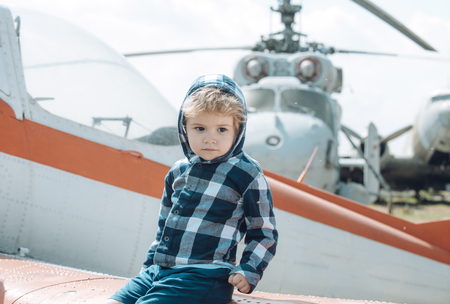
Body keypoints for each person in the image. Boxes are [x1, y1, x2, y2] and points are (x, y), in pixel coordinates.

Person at [106, 74, 277, 304]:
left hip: (204, 276)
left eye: (222, 130)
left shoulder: (247, 173)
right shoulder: (178, 171)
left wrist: (249, 269)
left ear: (238, 130)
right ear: (184, 127)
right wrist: (149, 267)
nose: (210, 139)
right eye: (200, 128)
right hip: (159, 270)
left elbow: (263, 231)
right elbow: (164, 225)